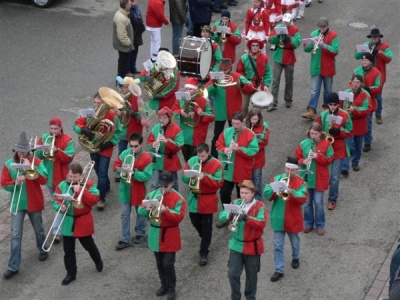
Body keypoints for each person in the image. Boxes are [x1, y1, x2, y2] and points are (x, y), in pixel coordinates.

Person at [1, 131, 49, 279]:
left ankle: (42, 249)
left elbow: (44, 180)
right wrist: (16, 182)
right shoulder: (9, 164)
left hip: (33, 201)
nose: (22, 155)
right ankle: (13, 266)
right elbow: (4, 183)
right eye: (20, 152)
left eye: (25, 152)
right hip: (17, 203)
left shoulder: (36, 162)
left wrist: (31, 168)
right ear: (15, 151)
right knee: (15, 235)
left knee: (39, 230)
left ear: (29, 152)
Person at [52, 162, 103, 286]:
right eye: (70, 176)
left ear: (81, 176)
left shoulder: (89, 185)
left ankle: (98, 260)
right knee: (68, 250)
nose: (71, 179)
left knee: (89, 245)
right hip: (68, 220)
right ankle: (71, 273)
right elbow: (56, 200)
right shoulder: (62, 185)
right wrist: (60, 206)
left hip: (83, 220)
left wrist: (81, 190)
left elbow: (94, 200)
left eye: (75, 177)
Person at [138, 171, 186, 300]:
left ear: (171, 184)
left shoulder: (179, 199)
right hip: (155, 233)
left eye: (165, 186)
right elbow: (140, 209)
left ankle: (171, 289)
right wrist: (145, 210)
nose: (163, 188)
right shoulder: (153, 194)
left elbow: (179, 217)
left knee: (168, 264)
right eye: (161, 186)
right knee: (159, 264)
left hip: (170, 234)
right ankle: (164, 285)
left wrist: (166, 211)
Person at [73, 89, 123, 210]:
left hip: (105, 147)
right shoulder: (88, 113)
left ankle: (101, 198)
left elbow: (118, 132)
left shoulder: (112, 115)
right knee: (97, 170)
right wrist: (83, 130)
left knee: (102, 172)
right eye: (95, 103)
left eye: (99, 103)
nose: (96, 105)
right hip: (92, 146)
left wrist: (109, 143)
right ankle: (106, 185)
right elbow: (76, 124)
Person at [218, 180, 267, 300]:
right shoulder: (235, 203)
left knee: (252, 276)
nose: (243, 196)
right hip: (236, 244)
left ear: (252, 194)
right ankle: (235, 297)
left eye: (246, 193)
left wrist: (246, 218)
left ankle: (250, 297)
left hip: (252, 246)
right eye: (241, 192)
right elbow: (221, 216)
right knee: (232, 274)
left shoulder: (260, 206)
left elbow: (261, 223)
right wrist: (229, 216)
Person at [263, 157, 307, 282]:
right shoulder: (277, 179)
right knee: (277, 245)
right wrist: (274, 191)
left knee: (295, 242)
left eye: (292, 170)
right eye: (288, 169)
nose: (289, 172)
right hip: (278, 217)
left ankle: (295, 257)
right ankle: (279, 270)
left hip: (293, 217)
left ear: (297, 170)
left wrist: (292, 192)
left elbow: (303, 198)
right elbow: (267, 193)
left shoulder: (300, 182)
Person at [181, 143, 223, 266]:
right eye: (199, 156)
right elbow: (183, 177)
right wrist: (190, 177)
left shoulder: (216, 164)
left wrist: (205, 177)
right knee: (195, 222)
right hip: (194, 197)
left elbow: (218, 183)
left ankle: (203, 252)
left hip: (208, 198)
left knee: (207, 227)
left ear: (208, 152)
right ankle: (205, 238)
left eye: (203, 156)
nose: (200, 158)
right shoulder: (192, 161)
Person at [216, 112, 259, 227]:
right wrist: (224, 150)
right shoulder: (227, 132)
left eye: (237, 124)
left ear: (243, 122)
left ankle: (242, 217)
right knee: (224, 193)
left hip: (243, 171)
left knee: (242, 196)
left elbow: (254, 151)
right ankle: (227, 215)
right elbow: (218, 144)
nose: (235, 126)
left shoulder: (250, 134)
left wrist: (239, 149)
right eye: (233, 123)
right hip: (229, 170)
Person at [36, 117, 75, 243]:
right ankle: (63, 227)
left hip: (62, 177)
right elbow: (37, 156)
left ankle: (57, 231)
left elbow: (69, 158)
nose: (53, 131)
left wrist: (57, 151)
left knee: (61, 203)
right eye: (51, 129)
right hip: (49, 176)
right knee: (59, 204)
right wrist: (43, 150)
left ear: (61, 128)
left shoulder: (68, 140)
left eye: (56, 129)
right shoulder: (45, 137)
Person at [206, 58, 254, 158]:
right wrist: (214, 85)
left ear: (230, 68)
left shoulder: (237, 76)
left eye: (225, 70)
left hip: (234, 111)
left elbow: (249, 87)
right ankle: (214, 157)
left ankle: (236, 154)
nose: (223, 72)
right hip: (220, 112)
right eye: (221, 70)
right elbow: (207, 91)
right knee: (217, 135)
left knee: (236, 134)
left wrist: (242, 84)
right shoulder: (216, 77)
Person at [113, 133, 153, 249]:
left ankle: (140, 232)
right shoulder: (125, 153)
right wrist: (121, 170)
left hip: (139, 189)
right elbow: (115, 166)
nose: (133, 148)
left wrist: (134, 173)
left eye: (136, 146)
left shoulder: (147, 158)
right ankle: (124, 238)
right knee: (124, 215)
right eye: (131, 146)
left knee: (140, 213)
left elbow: (147, 176)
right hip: (125, 189)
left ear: (141, 144)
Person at [294, 122, 333, 235]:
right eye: (312, 133)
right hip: (306, 178)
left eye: (316, 134)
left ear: (320, 133)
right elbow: (297, 158)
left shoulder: (326, 144)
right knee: (307, 203)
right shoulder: (303, 143)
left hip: (320, 178)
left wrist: (318, 156)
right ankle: (308, 223)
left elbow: (330, 159)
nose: (313, 136)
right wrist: (303, 161)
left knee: (318, 202)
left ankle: (320, 225)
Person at [316, 92, 352, 210]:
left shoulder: (345, 115)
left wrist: (339, 131)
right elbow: (316, 128)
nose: (332, 107)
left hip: (339, 149)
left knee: (335, 177)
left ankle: (332, 199)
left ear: (338, 104)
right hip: (326, 148)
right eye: (330, 104)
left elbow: (350, 131)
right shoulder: (323, 115)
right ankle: (318, 197)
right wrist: (322, 133)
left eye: (335, 104)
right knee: (322, 174)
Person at [302, 17, 340, 120]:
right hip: (316, 66)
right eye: (320, 27)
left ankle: (326, 109)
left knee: (328, 90)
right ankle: (311, 110)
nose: (321, 29)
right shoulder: (314, 33)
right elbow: (305, 48)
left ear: (327, 25)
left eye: (323, 27)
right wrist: (311, 43)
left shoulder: (333, 35)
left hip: (328, 67)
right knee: (314, 90)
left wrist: (324, 45)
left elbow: (335, 51)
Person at [354, 28, 392, 125]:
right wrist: (362, 50)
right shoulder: (366, 44)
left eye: (376, 37)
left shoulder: (385, 46)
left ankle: (378, 114)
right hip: (366, 74)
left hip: (379, 75)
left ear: (379, 37)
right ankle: (366, 111)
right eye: (372, 37)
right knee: (364, 93)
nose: (374, 38)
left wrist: (378, 52)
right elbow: (356, 56)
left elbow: (388, 58)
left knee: (378, 96)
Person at [172, 77, 215, 161]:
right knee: (187, 159)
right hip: (185, 133)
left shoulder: (203, 101)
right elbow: (174, 110)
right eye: (186, 89)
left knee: (196, 159)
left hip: (197, 135)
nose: (188, 91)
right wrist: (180, 112)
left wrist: (203, 114)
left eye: (190, 89)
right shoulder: (181, 99)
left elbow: (212, 116)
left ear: (195, 90)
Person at [268, 13, 301, 111]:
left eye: (287, 22)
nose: (285, 24)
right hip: (278, 55)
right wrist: (277, 36)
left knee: (289, 80)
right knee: (275, 81)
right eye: (284, 21)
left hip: (289, 56)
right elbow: (271, 40)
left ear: (291, 21)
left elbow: (297, 43)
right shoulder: (278, 27)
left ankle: (288, 99)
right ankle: (273, 102)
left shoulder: (295, 29)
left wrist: (289, 37)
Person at [147, 107, 184, 191]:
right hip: (157, 159)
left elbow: (179, 145)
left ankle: (174, 201)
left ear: (170, 118)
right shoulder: (156, 128)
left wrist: (167, 141)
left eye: (164, 117)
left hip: (170, 160)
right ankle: (155, 202)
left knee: (173, 184)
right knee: (155, 184)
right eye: (160, 117)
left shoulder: (176, 129)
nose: (162, 120)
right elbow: (149, 142)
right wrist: (153, 144)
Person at [352, 52, 382, 153]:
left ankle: (367, 141)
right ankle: (354, 144)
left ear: (370, 61)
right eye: (363, 60)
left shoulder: (377, 73)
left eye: (366, 60)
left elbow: (378, 87)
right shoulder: (356, 70)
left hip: (369, 101)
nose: (364, 62)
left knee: (367, 124)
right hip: (356, 101)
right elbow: (350, 83)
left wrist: (367, 89)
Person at [340, 75, 371, 175]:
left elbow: (367, 109)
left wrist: (355, 110)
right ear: (351, 83)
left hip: (360, 124)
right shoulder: (346, 92)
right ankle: (345, 167)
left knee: (358, 146)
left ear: (361, 83)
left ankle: (355, 162)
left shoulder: (365, 94)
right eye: (354, 82)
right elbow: (340, 106)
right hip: (348, 124)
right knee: (347, 145)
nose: (356, 84)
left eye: (358, 82)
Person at [236, 36, 272, 115]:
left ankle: (256, 123)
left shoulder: (264, 58)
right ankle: (245, 123)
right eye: (253, 45)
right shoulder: (244, 58)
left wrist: (266, 84)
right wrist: (244, 82)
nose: (255, 47)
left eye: (257, 45)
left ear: (259, 47)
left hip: (258, 85)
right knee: (243, 107)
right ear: (250, 46)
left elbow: (268, 72)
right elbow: (239, 72)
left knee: (257, 109)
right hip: (246, 85)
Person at [246, 108, 270, 200]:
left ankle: (257, 197)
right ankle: (247, 196)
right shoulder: (245, 124)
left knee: (256, 177)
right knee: (247, 176)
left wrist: (253, 141)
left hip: (258, 157)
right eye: (252, 119)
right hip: (247, 156)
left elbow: (264, 141)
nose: (254, 121)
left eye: (256, 119)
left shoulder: (264, 126)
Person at [113, 0, 134, 78]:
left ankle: (122, 78)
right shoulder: (121, 18)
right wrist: (129, 43)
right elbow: (122, 35)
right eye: (129, 4)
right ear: (125, 6)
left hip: (123, 45)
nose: (131, 4)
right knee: (123, 63)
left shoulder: (122, 14)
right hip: (124, 46)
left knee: (123, 62)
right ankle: (120, 81)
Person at [128, 0, 146, 74]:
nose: (136, 2)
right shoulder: (129, 11)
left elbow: (140, 20)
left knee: (135, 53)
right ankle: (128, 70)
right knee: (130, 54)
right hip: (132, 35)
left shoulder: (136, 9)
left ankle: (133, 68)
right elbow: (134, 23)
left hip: (137, 35)